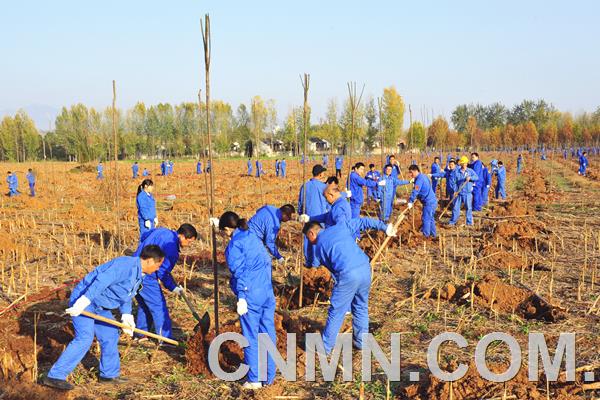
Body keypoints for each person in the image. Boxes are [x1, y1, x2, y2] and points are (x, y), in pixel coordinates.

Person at [42, 245, 165, 390]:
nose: (157, 269)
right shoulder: (124, 265)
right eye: (158, 265)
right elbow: (101, 281)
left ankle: (108, 375)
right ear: (150, 261)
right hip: (85, 301)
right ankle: (54, 376)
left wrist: (126, 315)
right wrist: (83, 301)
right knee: (85, 338)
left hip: (100, 306)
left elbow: (126, 295)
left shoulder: (139, 275)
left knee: (110, 334)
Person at [302, 218, 396, 354]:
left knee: (336, 311)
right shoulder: (341, 226)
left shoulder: (319, 247)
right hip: (365, 269)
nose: (309, 242)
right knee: (360, 306)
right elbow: (363, 222)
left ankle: (325, 348)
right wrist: (384, 227)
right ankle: (361, 342)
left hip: (347, 274)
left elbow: (331, 269)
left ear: (312, 233)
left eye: (307, 238)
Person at [214, 212, 277, 390]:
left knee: (250, 336)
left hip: (251, 295)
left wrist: (241, 296)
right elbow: (265, 261)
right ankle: (269, 377)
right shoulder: (252, 236)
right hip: (267, 292)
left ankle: (255, 379)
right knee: (267, 334)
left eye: (223, 231)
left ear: (227, 229)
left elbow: (239, 272)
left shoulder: (234, 245)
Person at [133, 224, 197, 340]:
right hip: (147, 275)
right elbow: (162, 272)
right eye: (189, 241)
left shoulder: (162, 231)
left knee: (145, 303)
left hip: (134, 267)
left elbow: (144, 236)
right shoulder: (172, 247)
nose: (189, 245)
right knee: (159, 306)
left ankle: (140, 334)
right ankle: (165, 339)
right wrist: (173, 287)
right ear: (182, 236)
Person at [298, 165, 330, 267]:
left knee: (308, 239)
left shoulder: (305, 186)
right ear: (321, 174)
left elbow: (300, 203)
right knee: (318, 239)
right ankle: (316, 265)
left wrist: (301, 214)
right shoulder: (323, 187)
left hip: (307, 218)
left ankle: (309, 263)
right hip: (319, 218)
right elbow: (329, 204)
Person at [405, 165, 438, 238]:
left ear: (416, 171)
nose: (410, 174)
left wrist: (410, 201)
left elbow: (415, 191)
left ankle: (426, 235)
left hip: (428, 202)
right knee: (430, 218)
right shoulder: (423, 176)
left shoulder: (419, 179)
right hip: (432, 200)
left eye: (411, 172)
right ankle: (433, 234)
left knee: (426, 218)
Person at [449, 156, 478, 226]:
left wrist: (470, 178)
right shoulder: (456, 172)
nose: (464, 165)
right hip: (459, 193)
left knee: (468, 208)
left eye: (466, 163)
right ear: (461, 164)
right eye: (463, 164)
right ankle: (452, 222)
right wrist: (455, 190)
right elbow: (453, 182)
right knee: (456, 208)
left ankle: (469, 223)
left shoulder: (470, 171)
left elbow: (476, 177)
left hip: (467, 193)